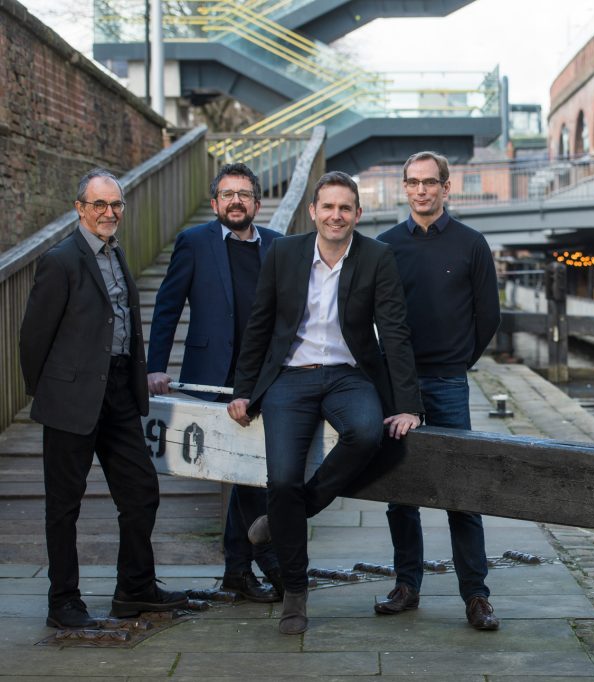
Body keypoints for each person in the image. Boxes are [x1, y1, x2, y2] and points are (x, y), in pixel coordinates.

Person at [227, 171, 423, 635]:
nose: (336, 215)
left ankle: (286, 516)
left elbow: (394, 332)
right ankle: (295, 595)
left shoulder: (377, 257)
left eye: (345, 208)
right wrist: (243, 389)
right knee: (282, 479)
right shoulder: (284, 253)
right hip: (289, 379)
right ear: (313, 211)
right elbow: (259, 325)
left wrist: (409, 404)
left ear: (357, 214)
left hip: (348, 375)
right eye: (328, 207)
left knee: (367, 432)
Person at [20, 168, 188, 628]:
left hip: (117, 394)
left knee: (141, 492)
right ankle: (64, 602)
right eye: (100, 205)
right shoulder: (61, 260)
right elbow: (33, 339)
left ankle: (135, 589)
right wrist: (53, 392)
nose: (109, 213)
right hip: (70, 399)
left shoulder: (116, 254)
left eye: (116, 205)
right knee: (64, 505)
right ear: (80, 209)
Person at [376, 151, 502, 631]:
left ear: (447, 189)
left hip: (449, 380)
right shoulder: (384, 246)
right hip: (398, 383)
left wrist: (458, 359)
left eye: (431, 182)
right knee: (400, 491)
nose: (422, 190)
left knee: (460, 488)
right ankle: (406, 585)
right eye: (413, 182)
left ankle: (476, 595)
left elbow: (487, 315)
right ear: (404, 189)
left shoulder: (471, 244)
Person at [147, 163, 283, 603]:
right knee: (244, 471)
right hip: (214, 375)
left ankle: (239, 569)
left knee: (251, 472)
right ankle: (256, 560)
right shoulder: (193, 243)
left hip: (263, 377)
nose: (236, 201)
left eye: (244, 193)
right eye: (227, 194)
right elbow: (167, 308)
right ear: (215, 203)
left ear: (257, 204)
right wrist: (154, 366)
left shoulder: (278, 247)